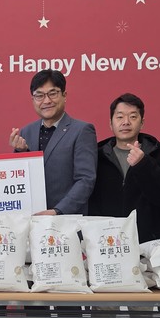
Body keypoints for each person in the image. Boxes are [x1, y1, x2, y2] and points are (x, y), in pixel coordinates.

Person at [88, 93, 160, 242]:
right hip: (107, 242)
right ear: (111, 123)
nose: (126, 122)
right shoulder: (96, 157)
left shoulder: (159, 155)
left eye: (133, 117)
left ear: (142, 123)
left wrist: (143, 164)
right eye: (120, 117)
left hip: (149, 244)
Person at [9, 69, 97, 215]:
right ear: (33, 100)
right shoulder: (26, 132)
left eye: (53, 93)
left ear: (64, 95)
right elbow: (19, 179)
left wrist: (58, 211)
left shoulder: (82, 130)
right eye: (39, 95)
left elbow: (85, 179)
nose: (47, 101)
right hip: (31, 219)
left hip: (67, 219)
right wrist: (20, 152)